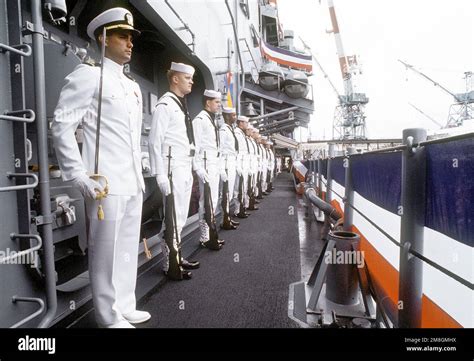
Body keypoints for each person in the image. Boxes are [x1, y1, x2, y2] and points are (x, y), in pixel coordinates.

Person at [51, 7, 150, 328]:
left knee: (124, 250)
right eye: (123, 36)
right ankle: (107, 316)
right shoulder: (88, 76)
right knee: (104, 253)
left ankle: (124, 304)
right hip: (104, 182)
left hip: (132, 181)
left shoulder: (131, 86)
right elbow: (62, 126)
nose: (130, 43)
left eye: (131, 37)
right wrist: (78, 175)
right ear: (103, 38)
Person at [148, 62, 201, 280]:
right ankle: (170, 264)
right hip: (171, 167)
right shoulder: (165, 105)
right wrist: (159, 174)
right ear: (175, 79)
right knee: (172, 217)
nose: (191, 81)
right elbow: (154, 142)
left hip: (183, 165)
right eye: (187, 78)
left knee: (179, 215)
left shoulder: (180, 105)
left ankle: (176, 256)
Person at [193, 90, 226, 249]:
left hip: (212, 164)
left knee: (212, 201)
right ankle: (205, 237)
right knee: (205, 201)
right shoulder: (200, 120)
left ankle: (210, 234)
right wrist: (198, 167)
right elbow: (195, 146)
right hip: (205, 165)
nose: (219, 105)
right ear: (208, 102)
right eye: (217, 102)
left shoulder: (210, 120)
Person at [219, 107, 240, 229]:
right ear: (227, 116)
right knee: (225, 193)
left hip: (231, 163)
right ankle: (224, 220)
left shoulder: (229, 129)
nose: (235, 117)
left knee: (229, 193)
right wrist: (221, 168)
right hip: (226, 164)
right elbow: (220, 150)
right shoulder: (223, 130)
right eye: (233, 115)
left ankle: (227, 218)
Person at [233, 116, 250, 218]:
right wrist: (238, 166)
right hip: (239, 164)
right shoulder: (237, 133)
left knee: (243, 187)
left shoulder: (241, 134)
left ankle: (241, 208)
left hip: (244, 164)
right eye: (246, 123)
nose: (247, 125)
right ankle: (237, 210)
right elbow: (236, 151)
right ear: (240, 123)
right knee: (238, 189)